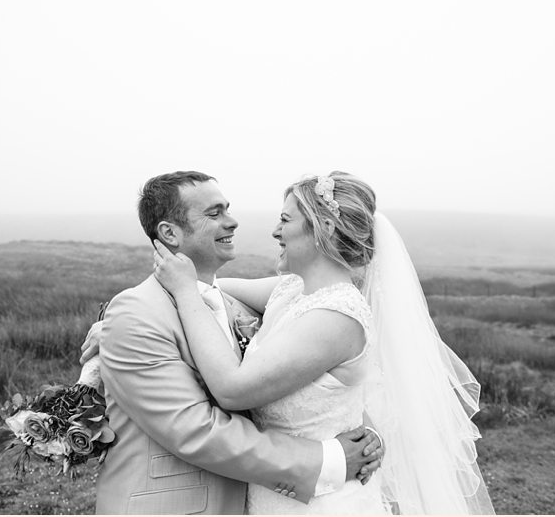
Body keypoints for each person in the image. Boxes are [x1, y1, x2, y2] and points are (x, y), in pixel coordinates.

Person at [152, 171, 495, 514]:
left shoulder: (336, 318)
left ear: (324, 230)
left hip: (323, 501)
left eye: (285, 220)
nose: (275, 231)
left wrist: (183, 291)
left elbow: (231, 389)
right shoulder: (292, 290)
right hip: (276, 491)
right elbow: (214, 289)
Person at [83, 171, 383, 514]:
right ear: (169, 233)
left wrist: (363, 432)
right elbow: (194, 430)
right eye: (215, 213)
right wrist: (119, 318)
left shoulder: (250, 304)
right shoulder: (138, 313)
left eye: (227, 209)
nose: (233, 221)